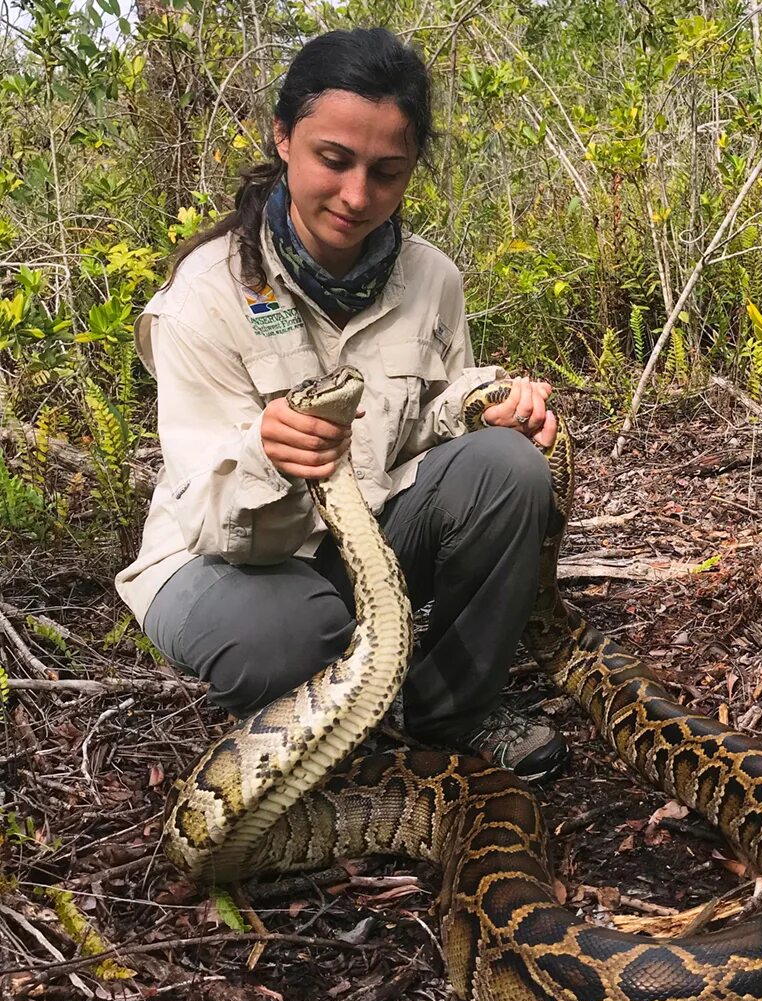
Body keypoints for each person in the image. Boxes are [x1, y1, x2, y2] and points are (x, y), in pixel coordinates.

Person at [115, 27, 569, 783]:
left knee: (510, 467)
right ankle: (342, 699)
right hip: (218, 558)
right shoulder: (204, 294)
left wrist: (476, 410)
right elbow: (204, 510)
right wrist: (267, 452)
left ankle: (449, 710)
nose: (358, 197)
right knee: (290, 640)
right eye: (334, 160)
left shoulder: (431, 280)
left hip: (362, 529)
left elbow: (417, 423)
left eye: (387, 173)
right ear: (284, 136)